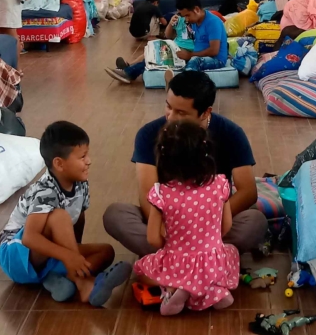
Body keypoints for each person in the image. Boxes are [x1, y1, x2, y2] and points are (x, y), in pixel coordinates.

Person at [104, 71, 267, 257]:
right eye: (168, 107)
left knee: (255, 221)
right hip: (166, 222)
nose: (171, 117)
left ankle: (170, 264)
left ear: (206, 112)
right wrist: (171, 230)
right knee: (116, 214)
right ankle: (207, 263)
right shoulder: (148, 134)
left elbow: (248, 192)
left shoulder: (231, 133)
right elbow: (147, 194)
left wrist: (203, 223)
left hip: (212, 223)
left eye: (181, 112)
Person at [0, 121, 132, 305]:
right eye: (82, 156)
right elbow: (29, 238)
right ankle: (83, 283)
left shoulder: (81, 183)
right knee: (59, 217)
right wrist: (69, 256)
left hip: (47, 257)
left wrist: (75, 253)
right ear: (59, 164)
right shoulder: (45, 190)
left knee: (106, 251)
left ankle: (58, 280)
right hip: (16, 254)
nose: (89, 160)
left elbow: (79, 217)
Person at [133, 119, 240, 315]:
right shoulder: (220, 185)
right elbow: (226, 226)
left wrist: (170, 243)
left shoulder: (161, 193)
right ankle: (214, 289)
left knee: (140, 270)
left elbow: (152, 238)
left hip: (177, 262)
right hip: (213, 261)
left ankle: (176, 289)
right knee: (230, 252)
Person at [106, 0, 228, 84]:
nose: (186, 19)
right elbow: (171, 36)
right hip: (194, 54)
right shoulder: (194, 21)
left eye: (187, 15)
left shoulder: (213, 22)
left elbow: (214, 51)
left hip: (214, 59)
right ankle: (129, 73)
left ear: (196, 10)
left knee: (194, 61)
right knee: (161, 54)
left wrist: (189, 55)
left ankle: (181, 87)